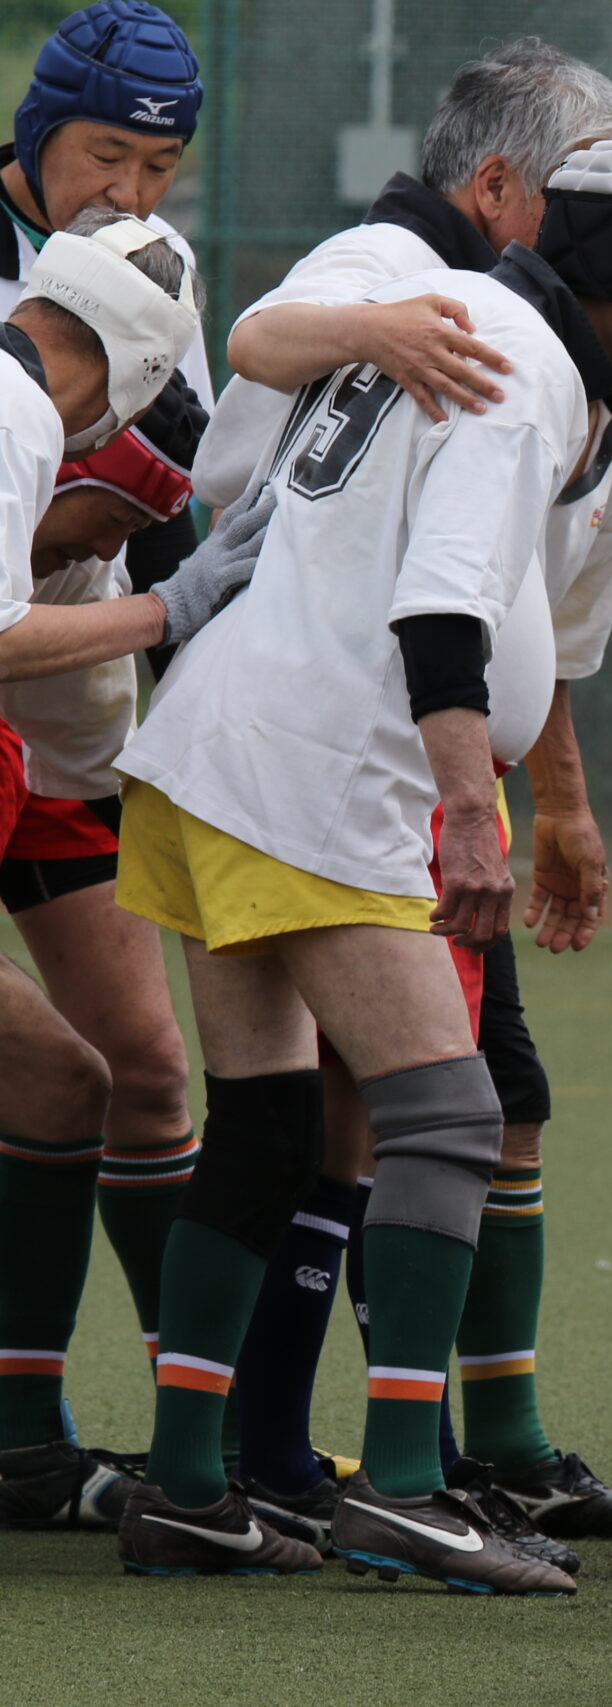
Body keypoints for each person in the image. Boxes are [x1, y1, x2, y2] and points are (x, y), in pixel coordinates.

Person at [108, 140, 612, 1595]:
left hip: (217, 745)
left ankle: (186, 1487)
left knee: (265, 1131)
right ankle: (401, 1485)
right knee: (449, 1113)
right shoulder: (521, 367)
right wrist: (469, 812)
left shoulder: (473, 324)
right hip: (319, 772)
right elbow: (442, 606)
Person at [0, 208, 268, 1525]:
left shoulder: (36, 432)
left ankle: (144, 1435)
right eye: (106, 517)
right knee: (59, 1076)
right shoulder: (16, 410)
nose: (97, 546)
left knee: (107, 1073)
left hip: (44, 775)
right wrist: (174, 600)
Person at [0, 0, 219, 1470]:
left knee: (138, 1064)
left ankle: (198, 1431)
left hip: (62, 736)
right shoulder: (26, 369)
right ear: (37, 136)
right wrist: (97, 550)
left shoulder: (150, 280)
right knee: (48, 1072)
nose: (127, 193)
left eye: (159, 167)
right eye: (102, 157)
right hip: (30, 665)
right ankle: (26, 1434)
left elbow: (172, 491)